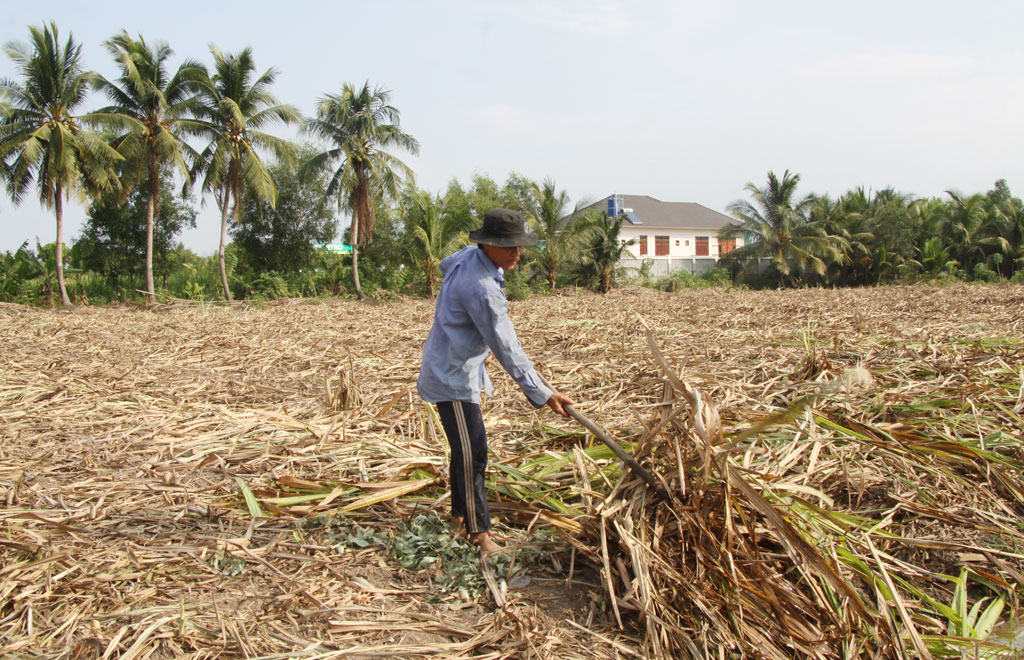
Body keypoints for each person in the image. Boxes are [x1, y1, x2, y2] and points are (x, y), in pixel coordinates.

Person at [417, 208, 574, 556]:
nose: (516, 252)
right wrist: (544, 392)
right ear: (488, 244)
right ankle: (480, 535)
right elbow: (507, 347)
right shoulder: (484, 289)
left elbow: (444, 264)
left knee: (465, 451)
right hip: (451, 376)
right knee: (474, 455)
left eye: (519, 245)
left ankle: (459, 520)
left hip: (456, 368)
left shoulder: (467, 257)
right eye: (508, 246)